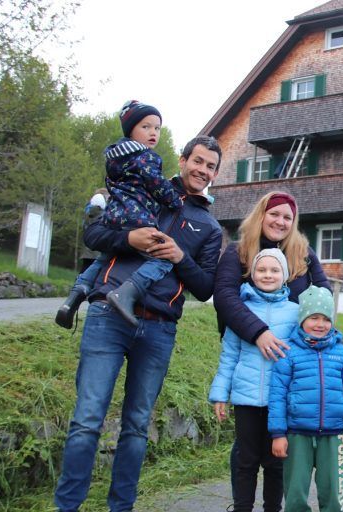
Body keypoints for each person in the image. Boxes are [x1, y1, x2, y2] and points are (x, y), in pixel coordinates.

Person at [53, 135, 223, 512]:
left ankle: (121, 507)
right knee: (87, 419)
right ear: (182, 160)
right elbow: (95, 234)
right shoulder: (143, 186)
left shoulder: (209, 227)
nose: (202, 170)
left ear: (215, 174)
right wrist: (130, 237)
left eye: (210, 166)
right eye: (197, 161)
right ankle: (67, 506)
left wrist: (180, 256)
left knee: (136, 425)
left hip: (159, 328)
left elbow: (205, 286)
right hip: (107, 317)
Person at [212, 190, 331, 501]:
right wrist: (259, 332)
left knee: (279, 449)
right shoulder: (238, 252)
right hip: (248, 356)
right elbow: (224, 297)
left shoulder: (303, 253)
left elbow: (323, 294)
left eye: (287, 217)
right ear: (261, 214)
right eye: (274, 213)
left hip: (288, 368)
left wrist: (310, 338)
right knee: (247, 451)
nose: (280, 221)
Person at [55, 100, 184, 329]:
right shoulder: (147, 157)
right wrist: (174, 200)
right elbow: (156, 184)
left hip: (113, 217)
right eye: (146, 127)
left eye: (157, 128)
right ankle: (127, 292)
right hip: (137, 219)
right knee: (163, 258)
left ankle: (75, 295)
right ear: (131, 129)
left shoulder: (115, 156)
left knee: (104, 258)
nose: (153, 133)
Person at [209, 249, 298, 512]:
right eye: (262, 270)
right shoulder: (240, 311)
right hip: (245, 399)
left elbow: (301, 360)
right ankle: (242, 507)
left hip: (279, 402)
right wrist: (219, 394)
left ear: (285, 275)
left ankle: (273, 508)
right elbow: (229, 356)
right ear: (251, 274)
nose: (267, 275)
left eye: (274, 270)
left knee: (275, 460)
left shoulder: (296, 313)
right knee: (245, 459)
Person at [268, 286, 343, 512]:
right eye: (314, 318)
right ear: (302, 319)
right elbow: (278, 396)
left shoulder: (340, 353)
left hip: (334, 434)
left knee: (333, 493)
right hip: (296, 433)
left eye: (325, 319)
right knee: (295, 493)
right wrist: (278, 434)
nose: (320, 324)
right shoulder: (288, 352)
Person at [79, 189, 109, 272]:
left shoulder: (88, 211)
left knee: (84, 272)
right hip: (95, 252)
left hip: (88, 251)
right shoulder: (100, 213)